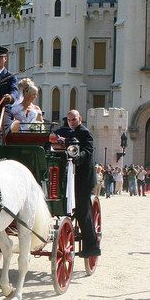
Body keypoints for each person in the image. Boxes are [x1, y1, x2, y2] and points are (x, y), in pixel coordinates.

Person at [55, 110, 100, 258]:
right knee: (78, 211)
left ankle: (93, 247)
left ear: (79, 119)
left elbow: (87, 151)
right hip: (72, 177)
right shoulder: (70, 132)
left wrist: (76, 157)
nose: (71, 122)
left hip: (84, 178)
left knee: (83, 212)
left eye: (73, 119)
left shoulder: (85, 132)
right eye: (69, 120)